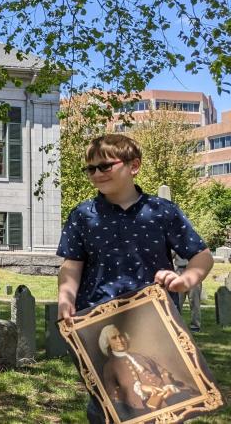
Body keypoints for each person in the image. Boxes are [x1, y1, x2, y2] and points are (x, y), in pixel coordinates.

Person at [56, 134, 214, 424]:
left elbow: (202, 255)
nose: (96, 174)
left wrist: (185, 280)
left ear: (134, 166)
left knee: (162, 401)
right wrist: (65, 300)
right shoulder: (82, 215)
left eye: (105, 166)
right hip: (98, 320)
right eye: (90, 169)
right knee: (109, 404)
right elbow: (72, 263)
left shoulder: (162, 212)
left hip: (155, 321)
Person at [98, 324, 190, 418]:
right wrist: (140, 388)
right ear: (107, 343)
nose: (120, 340)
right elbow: (113, 394)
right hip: (141, 406)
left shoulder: (140, 356)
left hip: (166, 394)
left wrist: (168, 385)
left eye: (121, 336)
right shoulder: (109, 367)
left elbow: (163, 372)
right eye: (114, 338)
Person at [174, 254, 203, 332]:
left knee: (194, 301)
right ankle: (176, 324)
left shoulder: (196, 244)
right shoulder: (176, 243)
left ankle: (195, 325)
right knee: (177, 301)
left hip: (194, 270)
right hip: (180, 272)